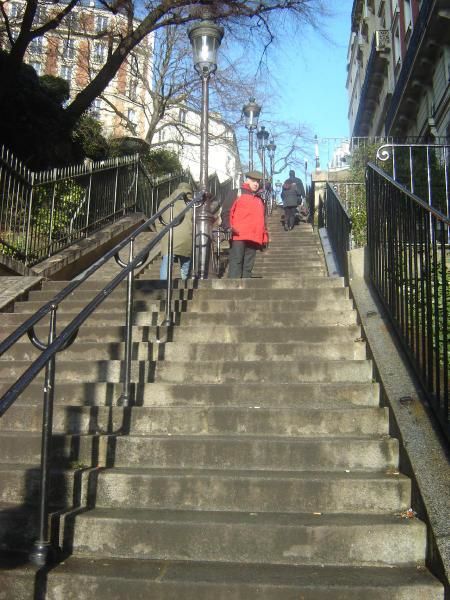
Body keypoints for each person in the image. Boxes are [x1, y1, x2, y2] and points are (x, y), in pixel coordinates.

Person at [227, 171, 269, 279]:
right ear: (247, 180)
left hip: (254, 236)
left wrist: (264, 237)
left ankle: (245, 289)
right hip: (238, 235)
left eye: (258, 182)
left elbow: (262, 220)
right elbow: (227, 211)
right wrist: (229, 227)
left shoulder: (260, 199)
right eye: (254, 181)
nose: (256, 184)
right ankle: (233, 290)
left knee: (248, 266)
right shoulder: (237, 192)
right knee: (236, 262)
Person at [157, 182, 193, 280]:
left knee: (167, 261)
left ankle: (163, 286)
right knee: (185, 263)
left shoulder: (165, 202)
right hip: (187, 236)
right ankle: (185, 285)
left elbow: (158, 220)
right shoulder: (192, 202)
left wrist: (162, 233)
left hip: (169, 236)